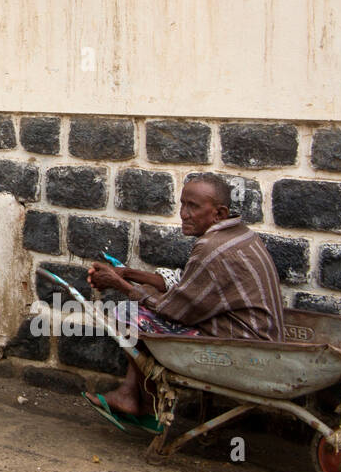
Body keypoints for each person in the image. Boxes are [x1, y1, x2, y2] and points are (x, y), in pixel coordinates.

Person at [82, 173, 285, 432]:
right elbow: (185, 282)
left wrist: (118, 284)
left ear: (219, 213)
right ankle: (131, 396)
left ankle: (141, 399)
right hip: (252, 334)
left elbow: (174, 310)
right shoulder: (237, 234)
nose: (184, 214)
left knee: (129, 312)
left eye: (193, 207)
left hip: (243, 346)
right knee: (143, 302)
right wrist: (127, 274)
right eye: (182, 204)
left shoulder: (211, 247)